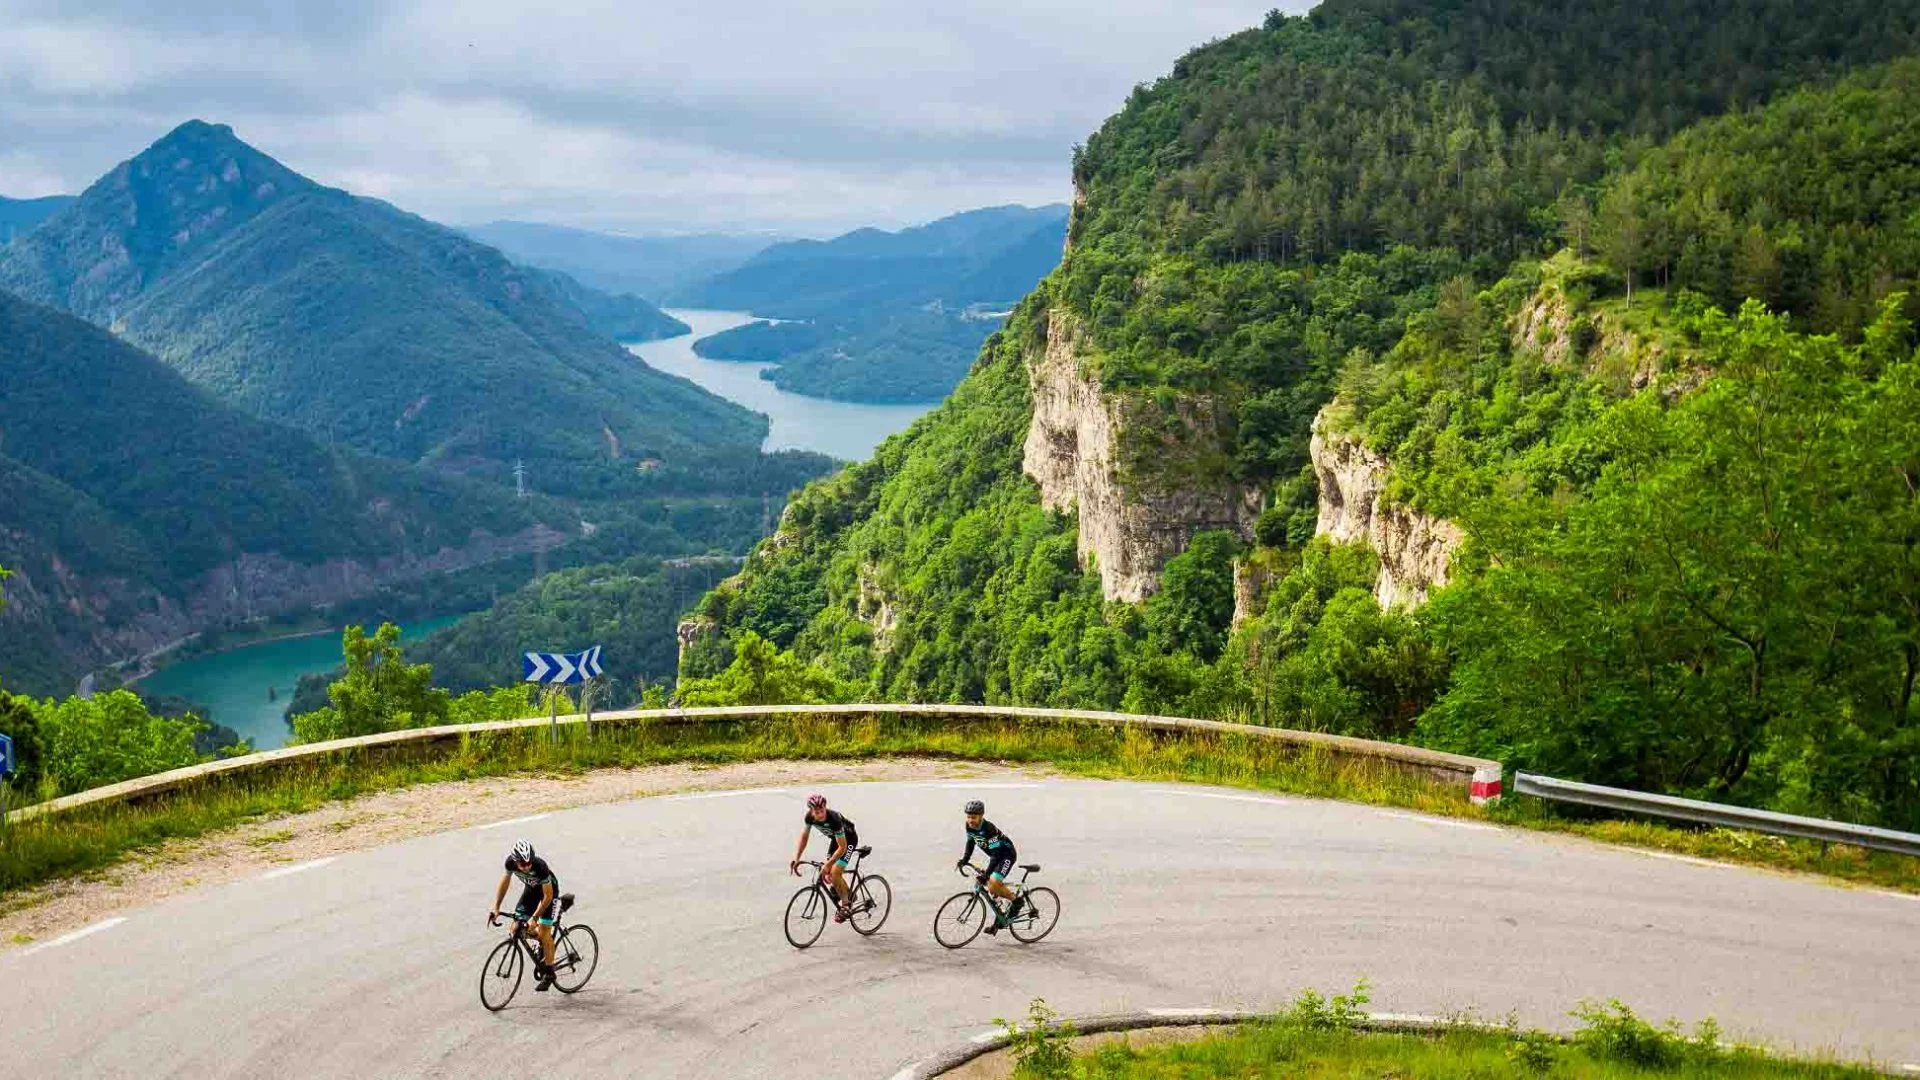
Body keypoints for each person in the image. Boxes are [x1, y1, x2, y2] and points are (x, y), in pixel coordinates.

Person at [490, 839, 561, 991]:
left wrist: (535, 919)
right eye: (522, 864)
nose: (527, 866)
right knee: (516, 928)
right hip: (531, 890)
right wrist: (496, 907)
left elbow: (548, 897)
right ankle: (541, 943)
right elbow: (505, 882)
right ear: (515, 861)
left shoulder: (540, 867)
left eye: (529, 862)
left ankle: (550, 973)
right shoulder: (510, 863)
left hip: (549, 893)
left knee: (544, 933)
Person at [957, 799, 1023, 934]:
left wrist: (987, 874)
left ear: (981, 816)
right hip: (996, 856)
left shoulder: (989, 829)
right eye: (968, 817)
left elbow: (996, 856)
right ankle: (1000, 917)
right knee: (990, 885)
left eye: (974, 817)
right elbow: (970, 843)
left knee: (993, 882)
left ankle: (1017, 902)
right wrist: (965, 859)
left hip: (1006, 855)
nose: (970, 820)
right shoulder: (969, 826)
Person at [791, 792, 858, 922]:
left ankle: (846, 905)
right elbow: (804, 837)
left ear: (825, 807)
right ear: (811, 811)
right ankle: (848, 894)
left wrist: (828, 864)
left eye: (822, 810)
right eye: (816, 812)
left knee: (835, 871)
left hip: (848, 841)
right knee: (828, 874)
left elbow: (842, 848)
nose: (820, 815)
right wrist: (797, 858)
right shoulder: (809, 818)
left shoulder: (834, 819)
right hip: (836, 839)